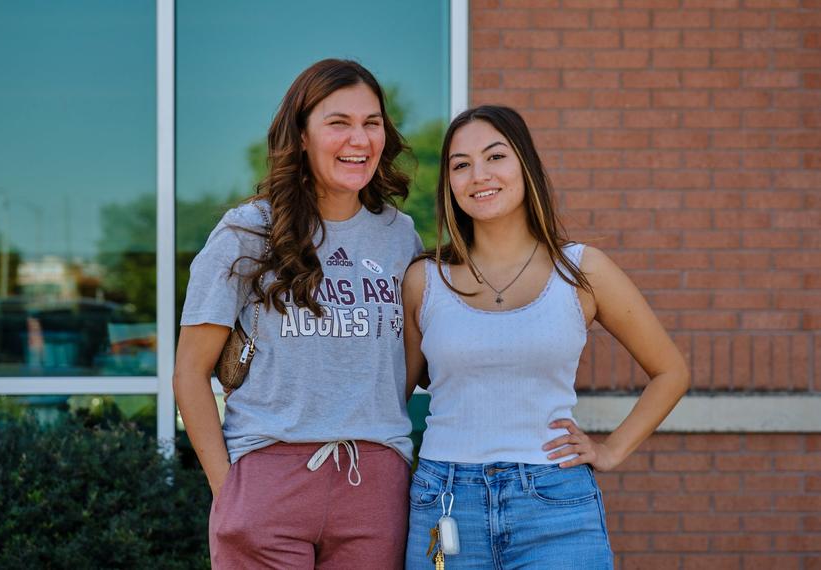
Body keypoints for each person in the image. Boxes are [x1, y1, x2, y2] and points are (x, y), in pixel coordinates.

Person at [402, 105, 690, 568]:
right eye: (461, 165)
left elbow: (670, 372)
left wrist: (611, 450)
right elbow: (391, 396)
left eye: (495, 156)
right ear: (450, 185)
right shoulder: (424, 280)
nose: (479, 175)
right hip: (446, 502)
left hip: (555, 503)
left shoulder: (581, 270)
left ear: (525, 166)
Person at [174, 59, 423, 569]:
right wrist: (231, 491)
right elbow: (190, 374)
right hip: (268, 480)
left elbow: (403, 366)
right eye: (338, 123)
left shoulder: (401, 236)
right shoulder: (246, 232)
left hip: (374, 485)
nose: (360, 138)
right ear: (302, 136)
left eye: (371, 122)